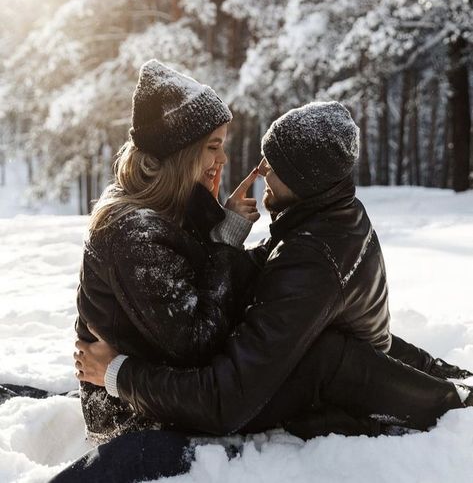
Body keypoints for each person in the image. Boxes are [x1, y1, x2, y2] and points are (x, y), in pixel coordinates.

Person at [72, 102, 473, 443]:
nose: (261, 169)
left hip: (307, 394)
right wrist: (220, 225)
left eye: (275, 163)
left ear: (303, 178)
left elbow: (223, 399)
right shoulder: (330, 219)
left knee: (327, 354)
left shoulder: (311, 258)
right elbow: (258, 282)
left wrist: (118, 373)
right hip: (320, 374)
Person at [74, 58, 263, 445]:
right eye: (213, 147)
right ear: (181, 153)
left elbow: (219, 288)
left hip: (163, 393)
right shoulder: (133, 232)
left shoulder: (175, 210)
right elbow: (198, 341)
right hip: (132, 419)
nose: (222, 160)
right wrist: (225, 237)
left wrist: (219, 220)